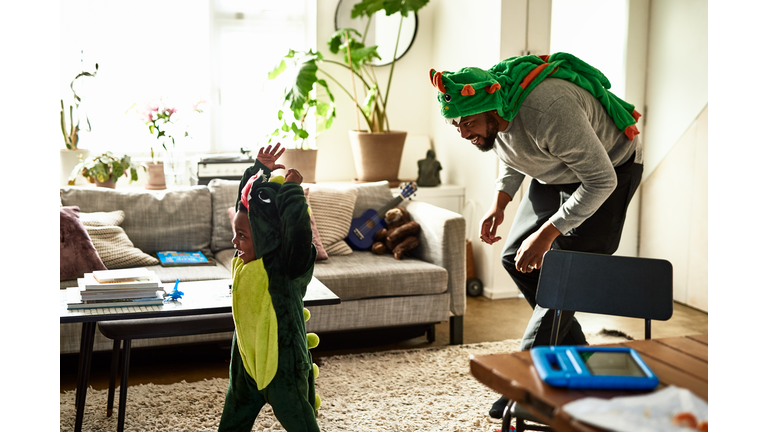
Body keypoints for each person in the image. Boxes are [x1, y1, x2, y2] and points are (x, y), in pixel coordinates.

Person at [429, 53, 644, 418]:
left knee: (563, 277)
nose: (464, 133)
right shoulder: (496, 114)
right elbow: (512, 151)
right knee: (515, 258)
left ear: (492, 110)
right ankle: (578, 355)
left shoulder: (549, 111)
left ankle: (521, 386)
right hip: (556, 171)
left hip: (607, 173)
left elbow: (601, 179)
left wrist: (548, 234)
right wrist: (500, 202)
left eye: (468, 124)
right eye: (456, 126)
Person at [218, 143, 321, 432]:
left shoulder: (286, 266)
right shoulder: (244, 261)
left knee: (301, 422)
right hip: (246, 366)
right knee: (232, 421)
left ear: (266, 237)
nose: (234, 242)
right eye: (234, 234)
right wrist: (259, 171)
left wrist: (290, 192)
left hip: (283, 370)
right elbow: (247, 206)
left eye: (241, 236)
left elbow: (297, 233)